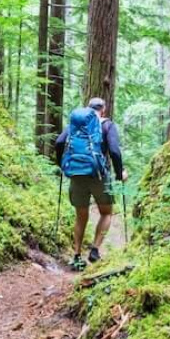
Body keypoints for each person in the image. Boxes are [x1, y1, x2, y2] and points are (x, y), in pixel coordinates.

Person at [54, 97, 127, 268]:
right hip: (99, 176)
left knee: (80, 216)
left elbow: (59, 142)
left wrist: (62, 165)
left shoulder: (76, 124)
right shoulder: (107, 124)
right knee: (106, 212)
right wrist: (119, 173)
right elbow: (115, 151)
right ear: (103, 110)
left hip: (76, 174)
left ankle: (77, 255)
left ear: (88, 108)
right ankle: (94, 250)